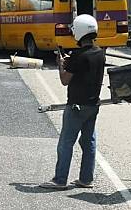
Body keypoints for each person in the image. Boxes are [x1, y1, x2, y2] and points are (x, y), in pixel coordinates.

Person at [40, 14, 105, 190]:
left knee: (66, 143)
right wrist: (70, 62)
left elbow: (64, 80)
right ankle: (86, 178)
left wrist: (62, 64)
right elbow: (85, 68)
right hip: (93, 105)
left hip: (76, 105)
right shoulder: (100, 52)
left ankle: (60, 179)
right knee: (88, 141)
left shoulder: (78, 56)